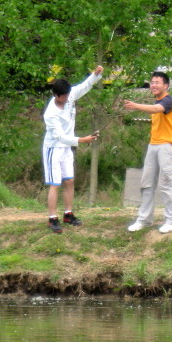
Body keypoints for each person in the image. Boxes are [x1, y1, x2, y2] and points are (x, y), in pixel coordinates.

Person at [43, 65, 104, 233]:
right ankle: (52, 218)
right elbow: (60, 137)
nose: (68, 98)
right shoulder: (51, 113)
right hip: (54, 148)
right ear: (56, 96)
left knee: (69, 180)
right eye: (64, 96)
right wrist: (81, 140)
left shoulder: (69, 96)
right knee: (55, 184)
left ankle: (68, 214)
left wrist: (95, 74)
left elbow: (84, 86)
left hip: (66, 149)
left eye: (69, 94)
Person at [124, 71, 172, 234]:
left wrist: (135, 106)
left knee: (167, 183)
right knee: (147, 184)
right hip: (153, 145)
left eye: (157, 82)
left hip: (168, 146)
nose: (154, 85)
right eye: (152, 82)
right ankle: (144, 219)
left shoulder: (168, 100)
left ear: (166, 85)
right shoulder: (157, 101)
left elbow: (156, 109)